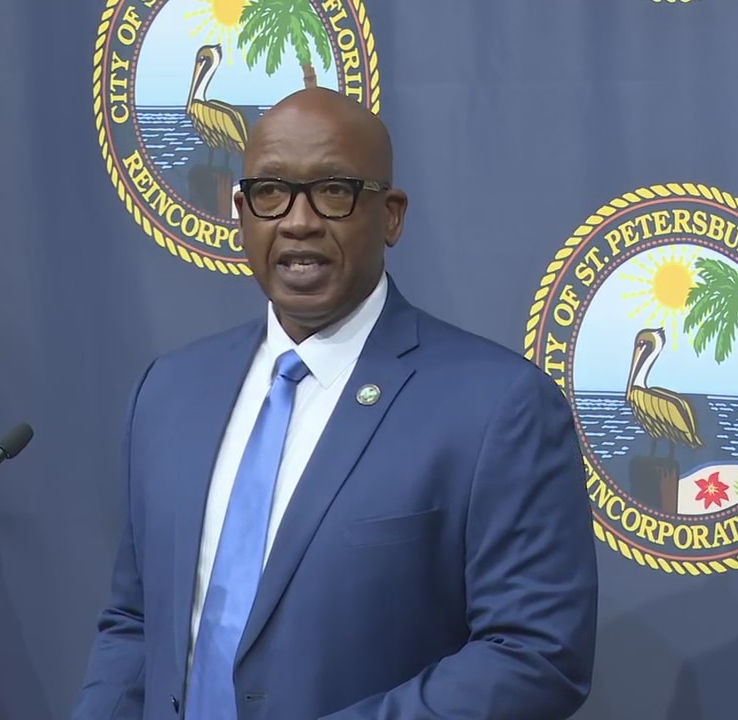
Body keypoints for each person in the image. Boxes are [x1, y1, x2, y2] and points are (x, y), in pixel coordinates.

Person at [72, 87, 598, 719]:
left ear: (392, 216)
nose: (299, 221)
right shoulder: (169, 392)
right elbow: (136, 624)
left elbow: (535, 653)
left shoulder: (498, 407)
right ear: (241, 213)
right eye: (271, 192)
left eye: (334, 191)